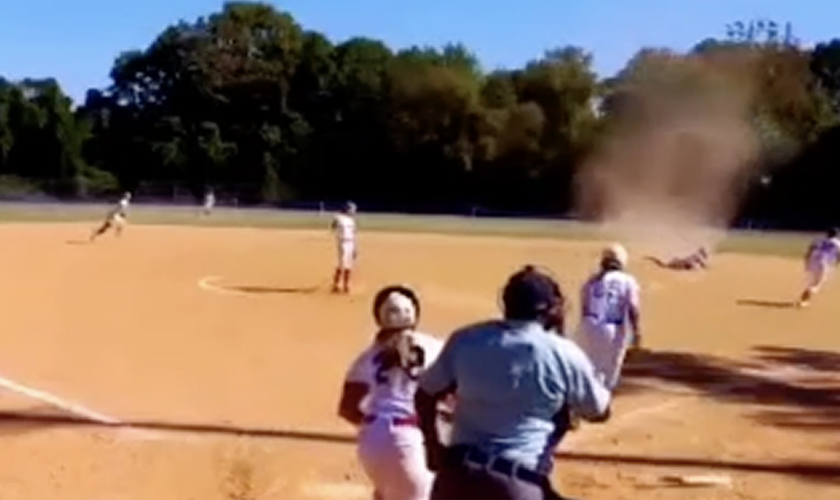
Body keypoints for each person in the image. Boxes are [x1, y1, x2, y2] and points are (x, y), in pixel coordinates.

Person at [415, 265, 612, 500]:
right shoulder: (563, 352)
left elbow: (425, 393)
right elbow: (599, 411)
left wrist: (433, 447)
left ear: (505, 303)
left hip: (457, 476)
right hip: (516, 481)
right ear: (550, 309)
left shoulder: (466, 339)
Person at [337, 285, 445, 500]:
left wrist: (377, 424)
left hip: (372, 441)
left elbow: (347, 408)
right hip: (409, 439)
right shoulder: (434, 347)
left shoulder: (368, 356)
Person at [573, 243, 642, 392]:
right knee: (610, 367)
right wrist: (637, 332)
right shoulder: (628, 280)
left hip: (589, 325)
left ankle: (585, 397)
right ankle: (602, 401)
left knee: (591, 364)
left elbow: (584, 306)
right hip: (613, 327)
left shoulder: (591, 280)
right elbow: (632, 307)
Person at [797, 227, 840, 308]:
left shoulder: (820, 241)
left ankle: (806, 299)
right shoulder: (838, 243)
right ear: (837, 235)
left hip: (813, 261)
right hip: (824, 263)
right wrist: (836, 263)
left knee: (813, 281)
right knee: (818, 284)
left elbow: (810, 250)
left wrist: (807, 263)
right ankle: (804, 299)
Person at [330, 201, 358, 293]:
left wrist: (355, 248)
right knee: (342, 264)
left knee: (349, 265)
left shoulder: (352, 221)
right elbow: (333, 227)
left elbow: (354, 234)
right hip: (343, 242)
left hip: (351, 242)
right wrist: (335, 221)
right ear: (347, 209)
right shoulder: (339, 218)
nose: (354, 211)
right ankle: (336, 285)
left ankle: (346, 286)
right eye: (352, 209)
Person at [645, 246, 709, 271]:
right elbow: (703, 266)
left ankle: (651, 258)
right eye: (704, 253)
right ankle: (651, 258)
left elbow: (702, 265)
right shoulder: (697, 256)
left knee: (664, 266)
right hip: (681, 264)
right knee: (664, 266)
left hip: (680, 262)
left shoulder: (695, 256)